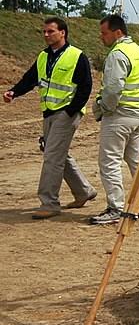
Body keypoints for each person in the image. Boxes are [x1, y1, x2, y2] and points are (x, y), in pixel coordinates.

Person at [2, 16, 97, 219]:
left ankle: (49, 203)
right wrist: (14, 92)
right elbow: (30, 78)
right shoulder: (44, 56)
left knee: (52, 157)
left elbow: (86, 87)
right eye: (44, 32)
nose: (46, 35)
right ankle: (83, 191)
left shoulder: (76, 56)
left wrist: (72, 110)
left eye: (50, 31)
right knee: (56, 153)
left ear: (62, 33)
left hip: (66, 112)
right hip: (49, 111)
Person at [89, 14, 139, 226]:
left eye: (104, 33)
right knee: (136, 162)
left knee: (110, 162)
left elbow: (113, 88)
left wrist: (103, 108)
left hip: (118, 116)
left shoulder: (118, 54)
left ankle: (115, 207)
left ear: (117, 32)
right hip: (138, 115)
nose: (101, 37)